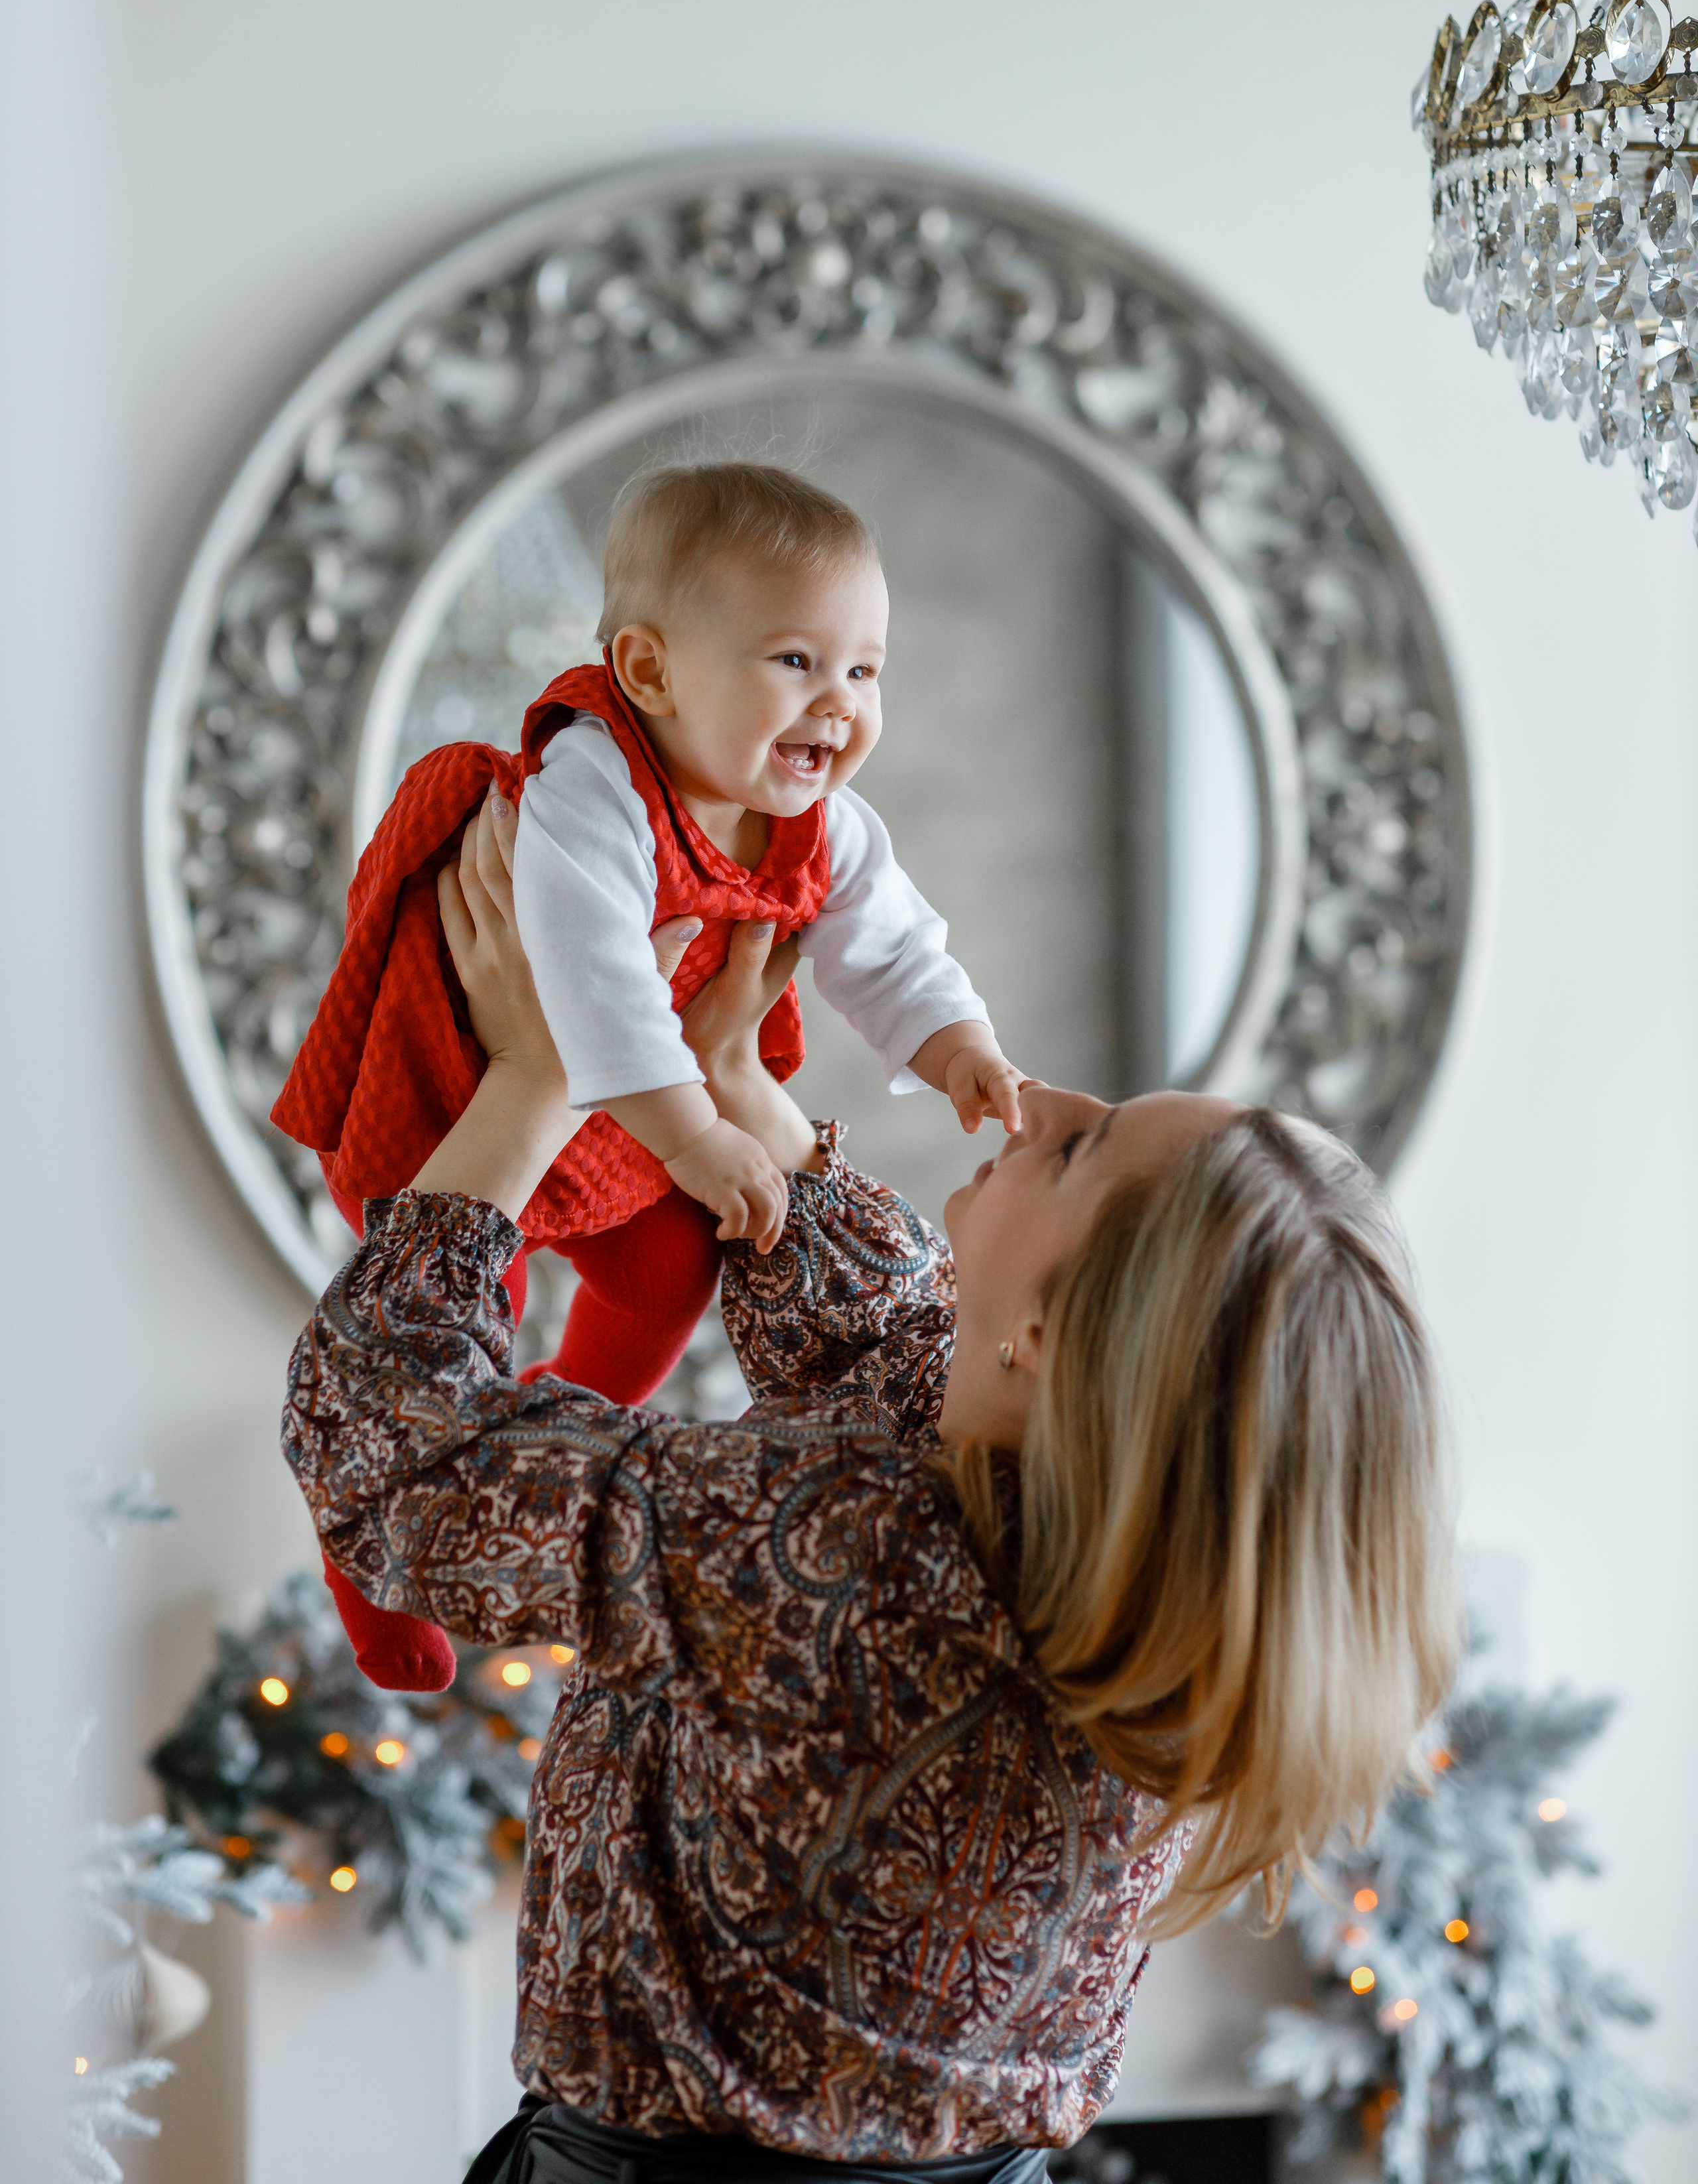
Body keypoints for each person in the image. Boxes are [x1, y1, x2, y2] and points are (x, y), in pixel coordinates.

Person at [282, 795, 1458, 2184]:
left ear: (1058, 1343)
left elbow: (397, 1456)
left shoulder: (851, 1554)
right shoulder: (1128, 1583)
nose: (1055, 1100)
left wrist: (536, 1078)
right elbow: (891, 1342)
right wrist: (718, 1074)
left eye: (1084, 1147)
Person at [275, 462, 1019, 1691]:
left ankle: (524, 1437)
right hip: (469, 1103)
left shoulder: (827, 824)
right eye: (795, 661)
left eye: (865, 669)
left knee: (671, 1273)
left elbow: (891, 945)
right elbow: (592, 983)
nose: (837, 703)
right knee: (458, 1304)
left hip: (627, 1118)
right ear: (652, 672)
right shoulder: (596, 786)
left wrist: (958, 1050)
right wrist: (695, 1139)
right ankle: (371, 1546)